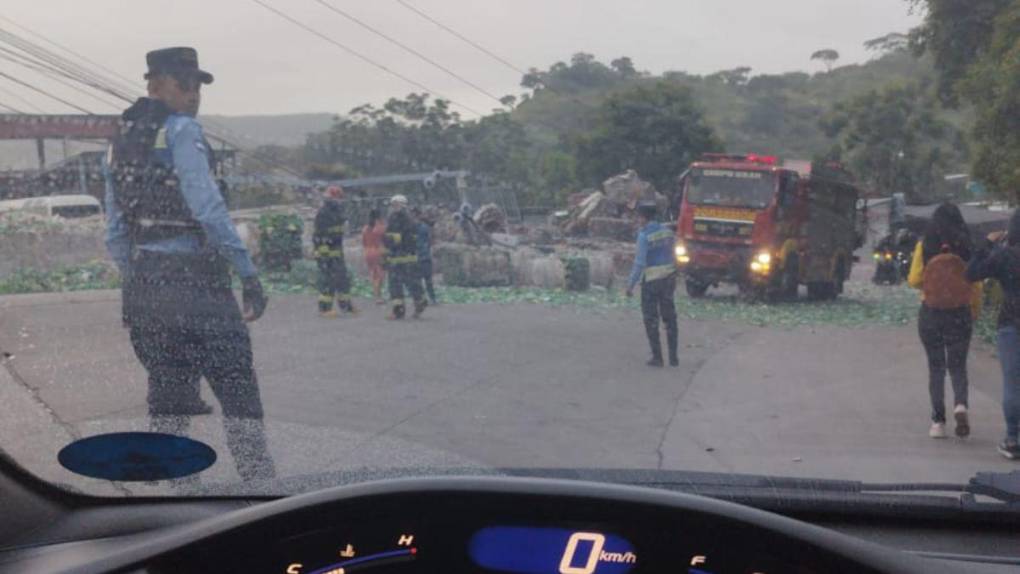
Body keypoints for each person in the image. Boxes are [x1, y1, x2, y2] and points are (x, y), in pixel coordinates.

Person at [105, 47, 274, 481]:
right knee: (237, 388)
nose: (194, 94)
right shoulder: (182, 130)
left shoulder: (120, 138)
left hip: (148, 285)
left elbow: (116, 229)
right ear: (155, 83)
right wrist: (247, 273)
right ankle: (260, 488)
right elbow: (208, 209)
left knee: (169, 394)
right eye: (185, 84)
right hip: (197, 282)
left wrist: (135, 281)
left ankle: (178, 500)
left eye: (198, 85)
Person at [907, 202, 982, 440]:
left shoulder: (925, 244)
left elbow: (914, 280)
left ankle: (938, 421)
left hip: (931, 312)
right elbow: (975, 283)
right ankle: (961, 404)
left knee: (936, 367)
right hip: (960, 313)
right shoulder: (967, 247)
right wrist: (973, 311)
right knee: (958, 366)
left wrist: (935, 281)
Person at [966, 212, 1020, 459]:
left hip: (1012, 323)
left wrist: (988, 243)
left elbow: (972, 273)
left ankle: (1012, 439)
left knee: (1013, 383)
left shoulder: (1005, 256)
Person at [625, 202, 679, 368]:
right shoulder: (668, 233)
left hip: (652, 282)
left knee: (651, 319)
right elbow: (675, 254)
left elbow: (640, 263)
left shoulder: (644, 236)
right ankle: (673, 357)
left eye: (638, 216)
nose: (637, 219)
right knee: (670, 318)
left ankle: (657, 357)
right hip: (669, 280)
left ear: (642, 217)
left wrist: (630, 285)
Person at [313, 185, 356, 318]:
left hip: (337, 252)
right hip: (326, 253)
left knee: (342, 279)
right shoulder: (324, 213)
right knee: (328, 281)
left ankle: (346, 306)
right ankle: (324, 309)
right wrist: (323, 250)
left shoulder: (337, 212)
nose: (339, 201)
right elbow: (318, 234)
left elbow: (339, 231)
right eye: (337, 198)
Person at [383, 195, 426, 320]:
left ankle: (403, 310)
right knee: (405, 285)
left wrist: (389, 240)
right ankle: (410, 305)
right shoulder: (405, 218)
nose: (393, 207)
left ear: (402, 205)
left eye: (395, 204)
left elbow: (400, 238)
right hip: (402, 258)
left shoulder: (401, 218)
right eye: (392, 205)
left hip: (401, 258)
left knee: (401, 285)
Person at [412, 206, 438, 305]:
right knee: (427, 280)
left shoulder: (413, 228)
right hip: (423, 256)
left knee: (420, 280)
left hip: (419, 256)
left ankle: (424, 299)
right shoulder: (424, 227)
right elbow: (430, 240)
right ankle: (431, 299)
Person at [362, 208, 387, 305]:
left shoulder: (365, 228)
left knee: (374, 274)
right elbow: (385, 239)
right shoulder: (380, 227)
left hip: (368, 252)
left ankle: (377, 295)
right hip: (378, 251)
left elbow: (364, 242)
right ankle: (379, 296)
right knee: (381, 274)